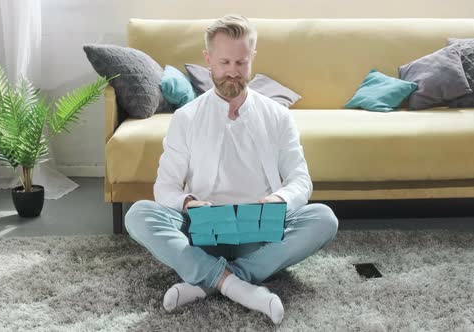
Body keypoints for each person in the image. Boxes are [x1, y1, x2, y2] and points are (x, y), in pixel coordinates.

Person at [125, 14, 339, 325]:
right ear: (208, 59)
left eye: (240, 63)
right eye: (224, 62)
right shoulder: (186, 118)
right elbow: (165, 187)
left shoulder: (277, 116)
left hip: (259, 231)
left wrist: (278, 200)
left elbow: (300, 180)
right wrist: (188, 203)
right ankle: (241, 287)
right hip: (202, 230)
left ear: (252, 58)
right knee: (138, 214)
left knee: (323, 218)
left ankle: (210, 282)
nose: (232, 73)